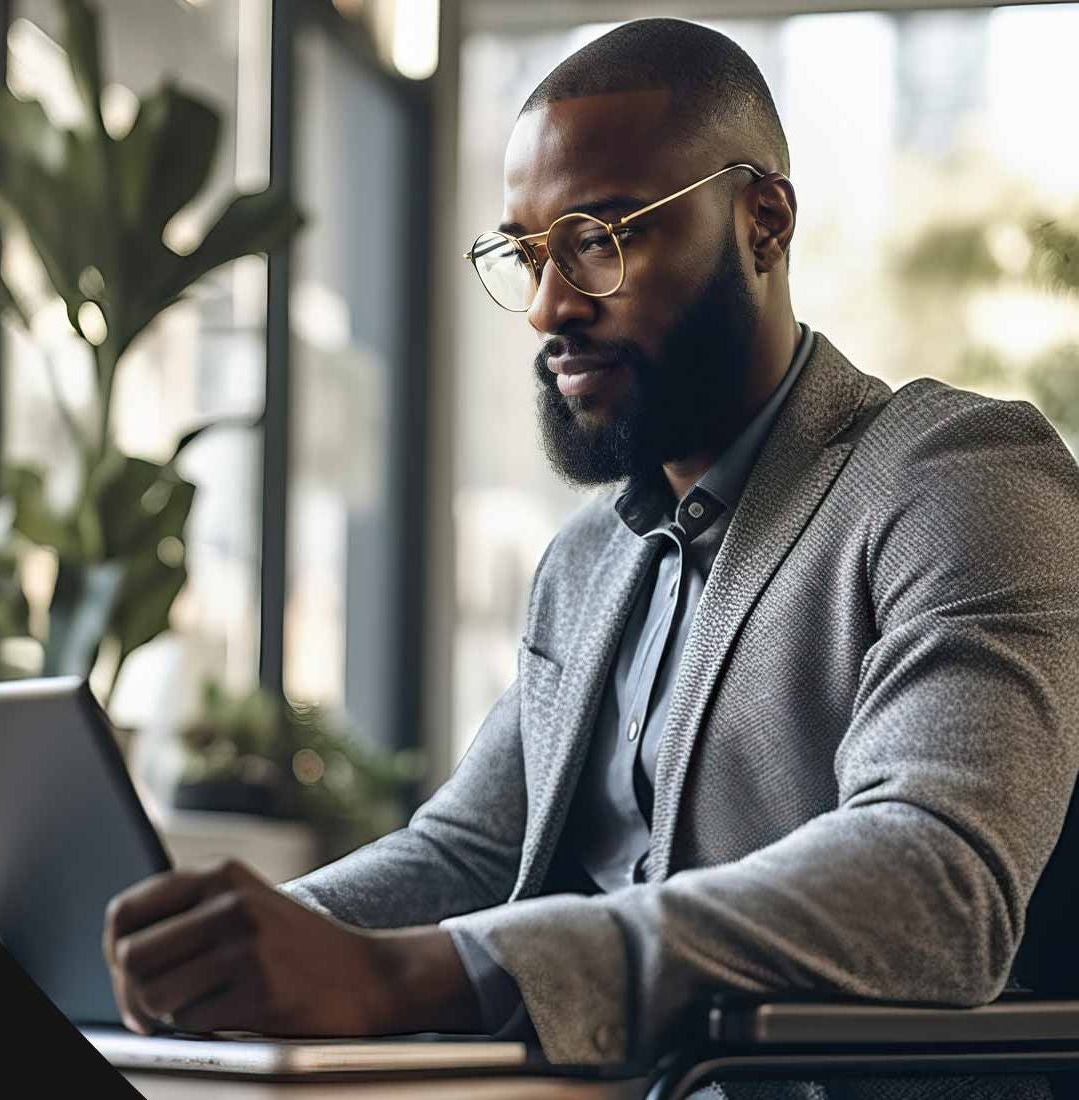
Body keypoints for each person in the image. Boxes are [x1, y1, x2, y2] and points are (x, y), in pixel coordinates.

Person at [102, 18, 1078, 1098]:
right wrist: (253, 942)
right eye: (526, 252)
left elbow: (934, 881)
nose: (549, 305)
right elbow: (468, 852)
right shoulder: (587, 559)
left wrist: (433, 971)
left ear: (762, 221)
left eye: (601, 238)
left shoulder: (958, 476)